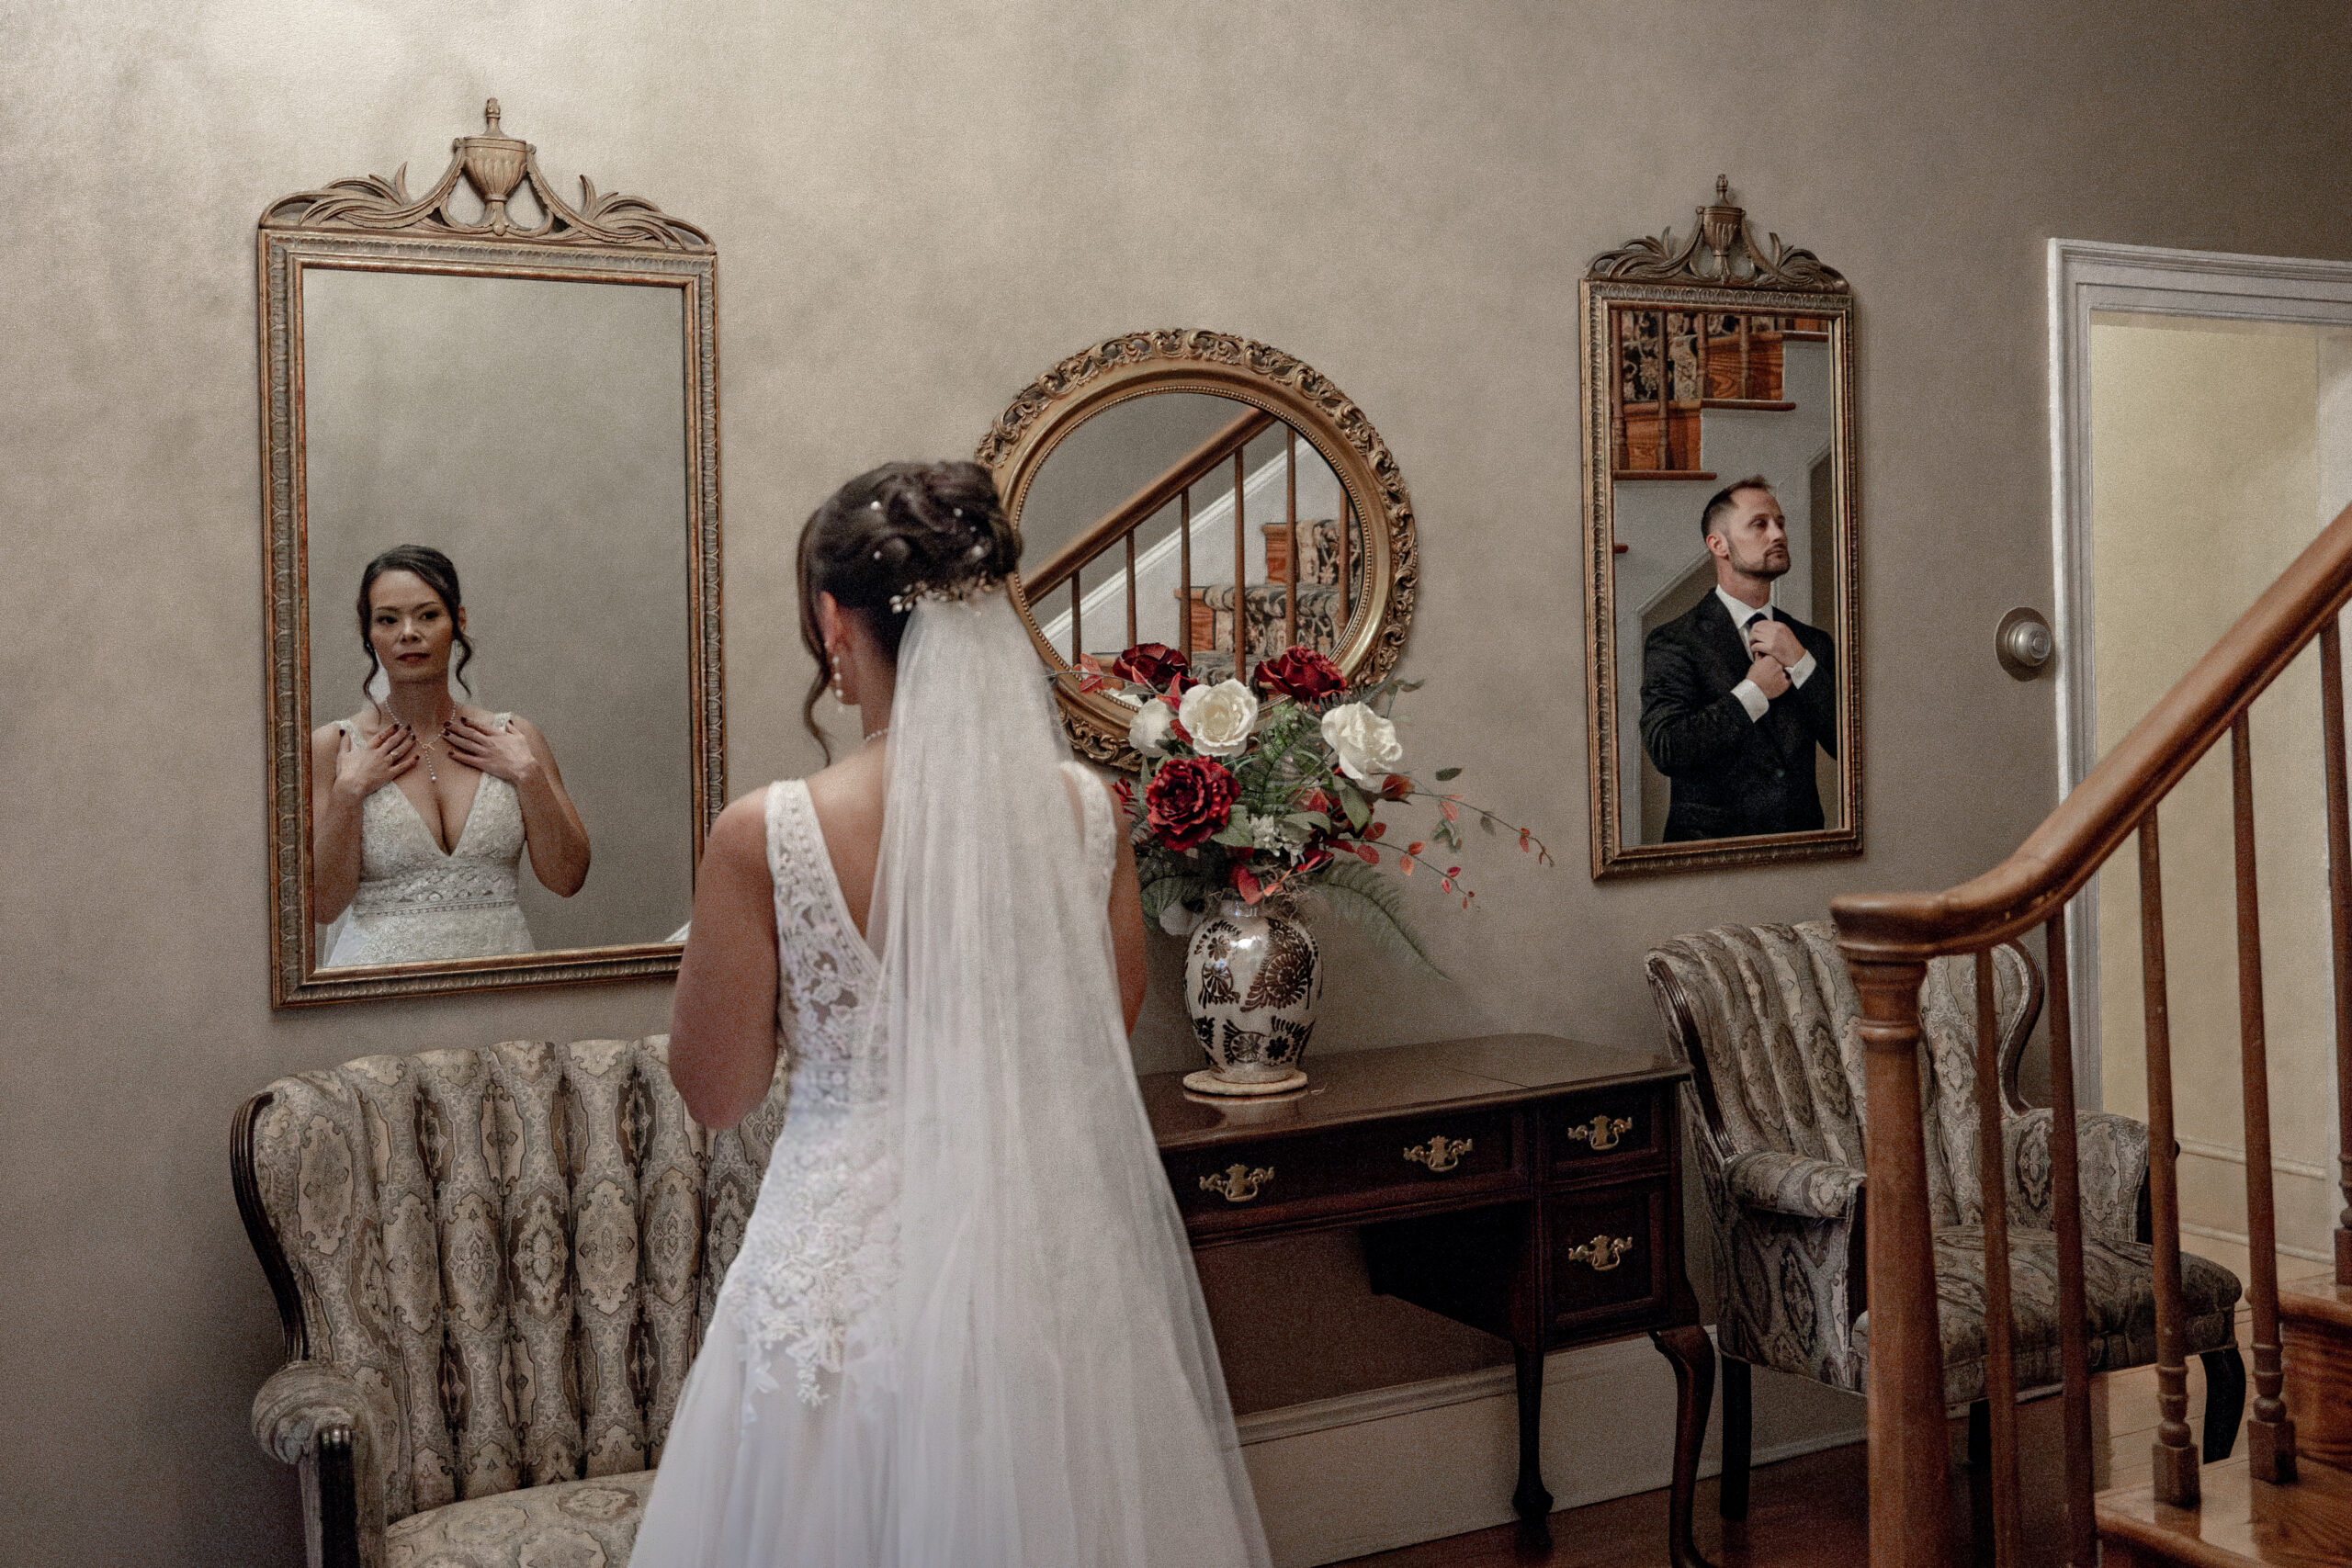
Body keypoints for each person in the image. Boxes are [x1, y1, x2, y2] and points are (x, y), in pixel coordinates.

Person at [631, 462, 1268, 1568]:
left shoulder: (767, 833)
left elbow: (717, 1093)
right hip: (1042, 1268)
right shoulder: (1085, 810)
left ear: (835, 622)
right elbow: (1099, 1036)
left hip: (842, 1290)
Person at [309, 545, 590, 964]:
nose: (408, 633)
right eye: (388, 619)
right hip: (374, 999)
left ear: (457, 621)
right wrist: (350, 791)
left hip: (501, 985)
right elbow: (322, 905)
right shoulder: (335, 747)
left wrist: (527, 775)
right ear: (368, 632)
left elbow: (567, 878)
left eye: (427, 615)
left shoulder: (516, 737)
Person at [1638, 476, 1837, 841]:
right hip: (1708, 861)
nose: (1778, 534)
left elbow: (1847, 745)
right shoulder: (1674, 641)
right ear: (1719, 545)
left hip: (1804, 855)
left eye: (1780, 523)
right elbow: (1667, 748)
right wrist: (1753, 693)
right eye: (1760, 524)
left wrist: (1801, 664)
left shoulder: (1811, 643)